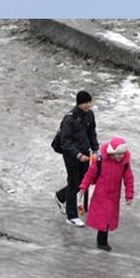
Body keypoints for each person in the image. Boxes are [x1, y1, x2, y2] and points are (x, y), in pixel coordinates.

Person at [79, 136, 134, 251]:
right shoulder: (101, 160)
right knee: (103, 217)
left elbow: (129, 179)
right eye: (118, 154)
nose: (120, 156)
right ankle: (102, 241)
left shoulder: (124, 164)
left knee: (109, 217)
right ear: (112, 153)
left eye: (122, 154)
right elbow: (90, 174)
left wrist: (129, 195)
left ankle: (103, 240)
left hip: (114, 195)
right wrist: (84, 186)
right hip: (101, 194)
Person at [54, 91, 99, 227]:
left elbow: (92, 133)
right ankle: (71, 215)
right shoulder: (69, 119)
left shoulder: (89, 115)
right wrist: (78, 155)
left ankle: (61, 196)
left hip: (85, 153)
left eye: (89, 102)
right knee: (74, 182)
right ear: (79, 103)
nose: (88, 105)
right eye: (85, 103)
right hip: (72, 155)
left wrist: (95, 149)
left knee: (81, 181)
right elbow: (65, 142)